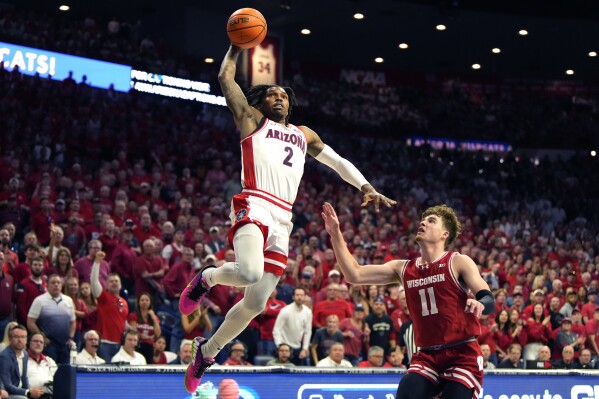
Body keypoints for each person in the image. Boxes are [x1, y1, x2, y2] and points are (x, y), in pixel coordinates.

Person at [178, 42, 395, 393]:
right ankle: (209, 276)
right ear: (260, 101)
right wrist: (236, 47)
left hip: (283, 217)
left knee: (255, 302)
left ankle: (207, 351)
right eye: (272, 95)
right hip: (254, 201)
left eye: (284, 96)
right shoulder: (251, 120)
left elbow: (337, 161)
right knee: (247, 272)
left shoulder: (303, 134)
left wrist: (365, 185)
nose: (279, 98)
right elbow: (223, 76)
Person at [322, 202, 494, 399]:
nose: (423, 223)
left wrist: (481, 303)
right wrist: (335, 234)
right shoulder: (402, 268)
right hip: (427, 355)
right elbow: (355, 274)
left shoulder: (457, 262)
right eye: (423, 219)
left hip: (462, 353)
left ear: (444, 234)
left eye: (431, 221)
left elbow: (487, 298)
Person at [26, 274, 76, 364]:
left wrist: (71, 337)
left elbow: (73, 321)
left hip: (64, 344)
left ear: (61, 285)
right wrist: (42, 337)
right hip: (48, 344)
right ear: (47, 285)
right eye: (53, 282)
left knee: (65, 373)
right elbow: (30, 322)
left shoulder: (68, 300)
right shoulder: (39, 300)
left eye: (58, 283)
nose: (56, 285)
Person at [0, 324, 45, 398]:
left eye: (22, 337)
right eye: (16, 337)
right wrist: (28, 392)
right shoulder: (5, 356)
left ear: (26, 339)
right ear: (10, 339)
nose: (20, 340)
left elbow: (24, 378)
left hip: (19, 392)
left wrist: (29, 392)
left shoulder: (25, 354)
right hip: (7, 394)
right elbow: (7, 386)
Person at [272, 287, 312, 366]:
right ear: (293, 297)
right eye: (297, 295)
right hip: (285, 347)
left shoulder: (308, 312)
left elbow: (308, 331)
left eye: (301, 295)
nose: (299, 297)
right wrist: (280, 345)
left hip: (298, 347)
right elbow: (276, 330)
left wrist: (305, 348)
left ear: (304, 297)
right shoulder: (285, 311)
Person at [26, 332, 56, 398]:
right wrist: (29, 392)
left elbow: (58, 379)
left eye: (41, 342)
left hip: (50, 394)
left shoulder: (49, 361)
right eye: (35, 341)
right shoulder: (23, 360)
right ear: (28, 343)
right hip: (31, 395)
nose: (38, 344)